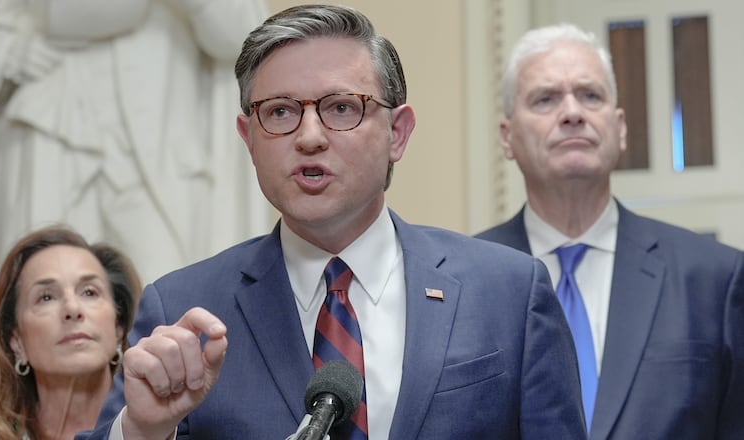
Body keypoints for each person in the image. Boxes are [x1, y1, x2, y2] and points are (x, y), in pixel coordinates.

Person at [80, 5, 587, 440]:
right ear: (248, 137)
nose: (310, 137)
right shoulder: (185, 311)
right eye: (279, 112)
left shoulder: (509, 293)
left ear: (398, 132)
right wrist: (143, 432)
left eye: (341, 108)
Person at [0, 0, 269, 363]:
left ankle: (169, 417)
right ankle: (31, 417)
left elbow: (244, 42)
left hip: (156, 160)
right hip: (52, 134)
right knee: (42, 298)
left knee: (168, 305)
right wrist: (17, 49)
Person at [475, 23, 744, 439]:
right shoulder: (465, 282)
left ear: (619, 128)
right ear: (507, 137)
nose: (572, 112)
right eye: (545, 99)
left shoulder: (715, 278)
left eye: (590, 95)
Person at [0, 226, 141, 439]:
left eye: (90, 292)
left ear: (118, 327)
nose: (72, 309)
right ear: (16, 341)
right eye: (46, 297)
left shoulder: (165, 429)